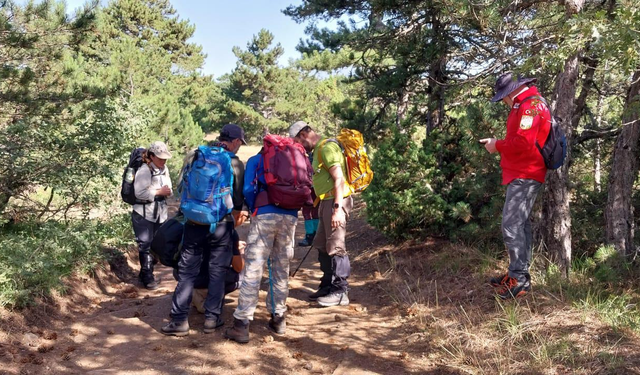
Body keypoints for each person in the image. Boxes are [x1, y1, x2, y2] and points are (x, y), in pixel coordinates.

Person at [162, 124, 249, 336]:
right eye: (240, 143)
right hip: (221, 224)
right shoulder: (235, 163)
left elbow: (182, 188)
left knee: (187, 272)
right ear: (235, 141)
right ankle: (212, 319)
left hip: (194, 222)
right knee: (217, 271)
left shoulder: (197, 155)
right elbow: (237, 200)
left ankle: (179, 321)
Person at [480, 72, 551, 299]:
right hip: (521, 172)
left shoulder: (530, 107)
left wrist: (496, 145)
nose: (502, 101)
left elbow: (523, 142)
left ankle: (519, 280)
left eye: (503, 96)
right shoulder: (524, 104)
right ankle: (518, 273)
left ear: (511, 92)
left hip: (526, 173)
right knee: (520, 225)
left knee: (511, 226)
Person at [224, 147, 302, 343]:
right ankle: (279, 317)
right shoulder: (293, 160)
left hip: (264, 214)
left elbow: (249, 189)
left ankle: (241, 324)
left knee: (254, 268)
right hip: (290, 216)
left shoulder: (256, 159)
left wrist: (254, 208)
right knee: (281, 267)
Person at [289, 121, 353, 307]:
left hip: (335, 201)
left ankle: (341, 292)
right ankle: (327, 286)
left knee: (336, 245)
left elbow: (339, 178)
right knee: (322, 244)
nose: (299, 146)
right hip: (326, 202)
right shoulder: (318, 149)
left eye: (298, 141)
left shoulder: (326, 148)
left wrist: (336, 209)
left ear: (303, 135)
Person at [132, 141, 173, 290]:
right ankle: (148, 277)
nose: (163, 161)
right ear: (151, 156)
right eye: (160, 158)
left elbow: (169, 189)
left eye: (165, 158)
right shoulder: (144, 170)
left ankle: (144, 273)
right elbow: (139, 193)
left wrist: (167, 192)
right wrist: (158, 192)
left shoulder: (164, 169)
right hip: (143, 213)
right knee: (145, 244)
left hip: (159, 213)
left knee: (157, 244)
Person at [298, 152, 320, 247]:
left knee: (307, 212)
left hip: (307, 188)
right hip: (317, 188)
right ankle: (316, 235)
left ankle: (310, 236)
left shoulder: (302, 158)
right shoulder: (317, 155)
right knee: (315, 211)